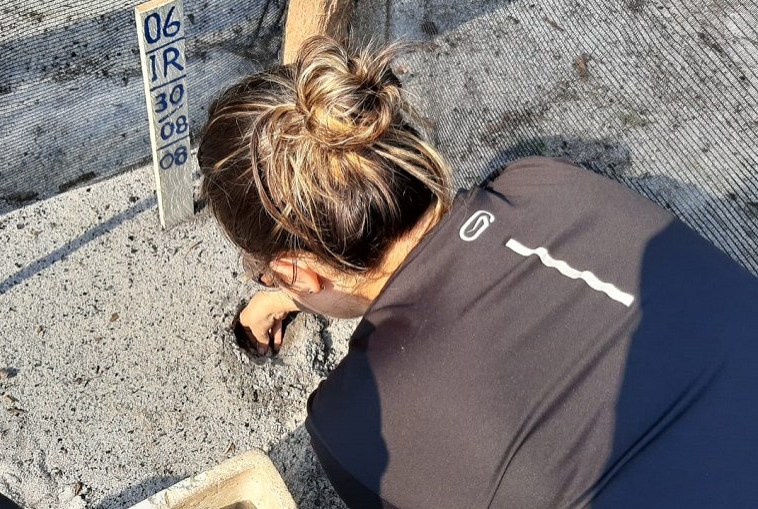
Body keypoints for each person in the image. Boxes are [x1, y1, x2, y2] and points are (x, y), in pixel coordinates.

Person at [198, 36, 758, 508]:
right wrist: (294, 291)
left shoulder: (355, 430)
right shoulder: (544, 181)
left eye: (266, 273)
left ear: (298, 270)